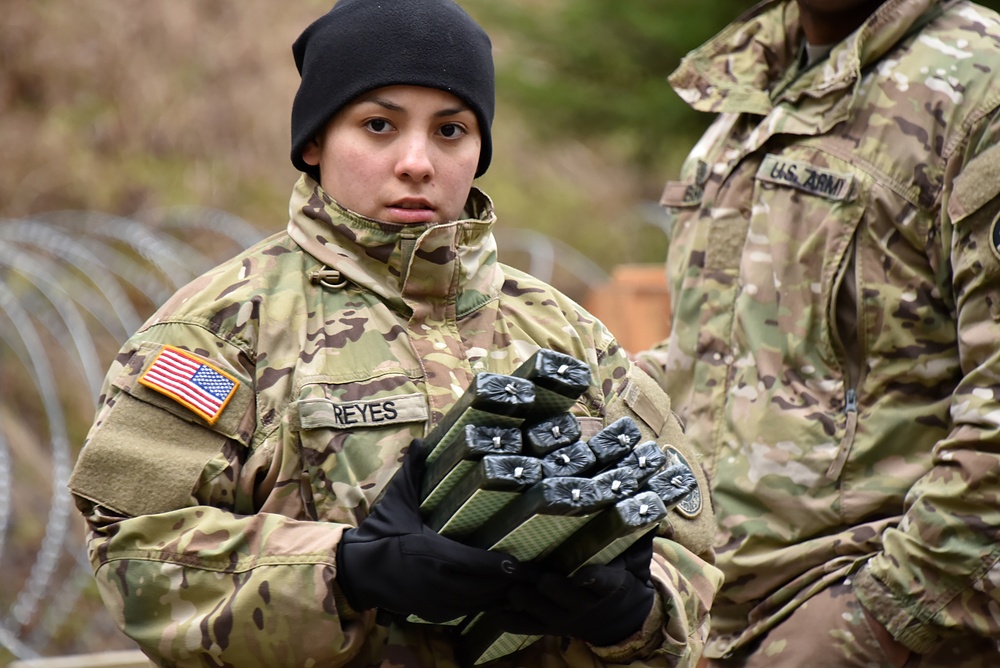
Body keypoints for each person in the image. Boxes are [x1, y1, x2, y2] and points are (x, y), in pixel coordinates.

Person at [67, 1, 722, 666]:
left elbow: (693, 553)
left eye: (450, 130)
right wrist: (345, 571)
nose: (417, 161)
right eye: (378, 125)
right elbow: (135, 556)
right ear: (316, 140)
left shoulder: (569, 335)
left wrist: (635, 612)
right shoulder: (219, 333)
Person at [636, 0, 1000, 666]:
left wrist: (883, 615)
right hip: (700, 606)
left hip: (868, 609)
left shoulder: (982, 86)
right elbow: (713, 353)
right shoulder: (744, 87)